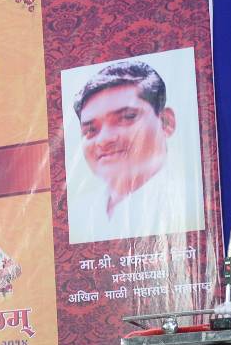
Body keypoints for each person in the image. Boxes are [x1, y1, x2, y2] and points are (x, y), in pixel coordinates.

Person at [67, 58, 202, 243]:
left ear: (166, 123)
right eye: (91, 129)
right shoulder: (77, 215)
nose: (104, 139)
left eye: (127, 117)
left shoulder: (195, 204)